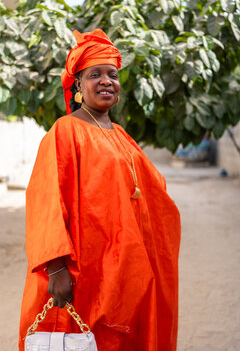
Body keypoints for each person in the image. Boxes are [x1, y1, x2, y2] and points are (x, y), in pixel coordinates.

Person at [19, 29, 181, 351]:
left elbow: (149, 191)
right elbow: (45, 200)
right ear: (78, 84)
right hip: (84, 271)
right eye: (95, 75)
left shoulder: (120, 134)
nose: (106, 81)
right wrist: (57, 267)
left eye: (113, 75)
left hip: (126, 271)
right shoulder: (65, 131)